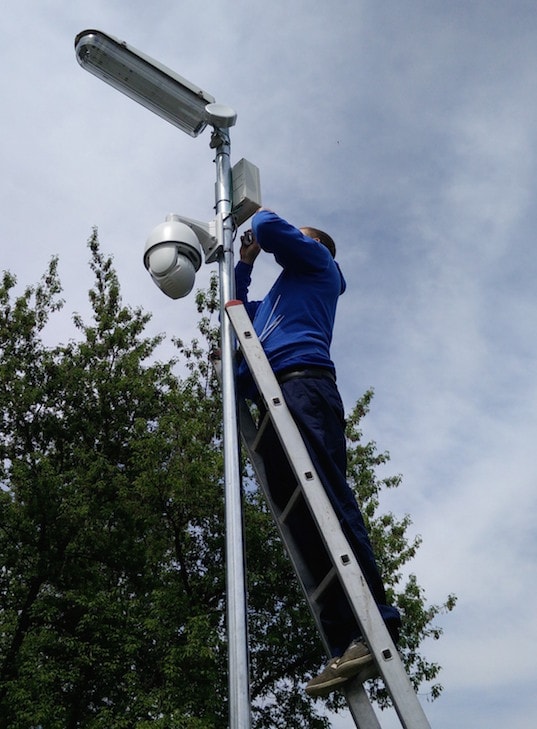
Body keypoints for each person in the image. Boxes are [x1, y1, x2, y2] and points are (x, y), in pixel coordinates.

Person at [235, 208, 401, 697]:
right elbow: (237, 313)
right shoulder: (276, 300)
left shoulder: (319, 268)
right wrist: (243, 264)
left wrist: (260, 238)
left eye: (300, 241)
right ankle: (346, 640)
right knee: (304, 523)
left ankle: (379, 623)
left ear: (316, 248)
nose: (289, 248)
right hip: (273, 401)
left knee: (329, 500)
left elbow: (266, 224)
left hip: (305, 387)